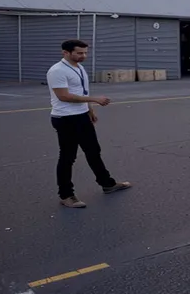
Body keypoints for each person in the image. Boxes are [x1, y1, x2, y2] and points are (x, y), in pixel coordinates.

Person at [47, 39, 131, 208]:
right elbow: (63, 96)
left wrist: (89, 109)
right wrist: (94, 99)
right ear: (65, 52)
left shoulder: (79, 67)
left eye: (85, 52)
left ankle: (107, 184)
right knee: (68, 157)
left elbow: (80, 91)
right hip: (65, 118)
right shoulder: (57, 70)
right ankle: (66, 195)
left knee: (93, 152)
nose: (84, 56)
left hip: (81, 116)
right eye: (79, 53)